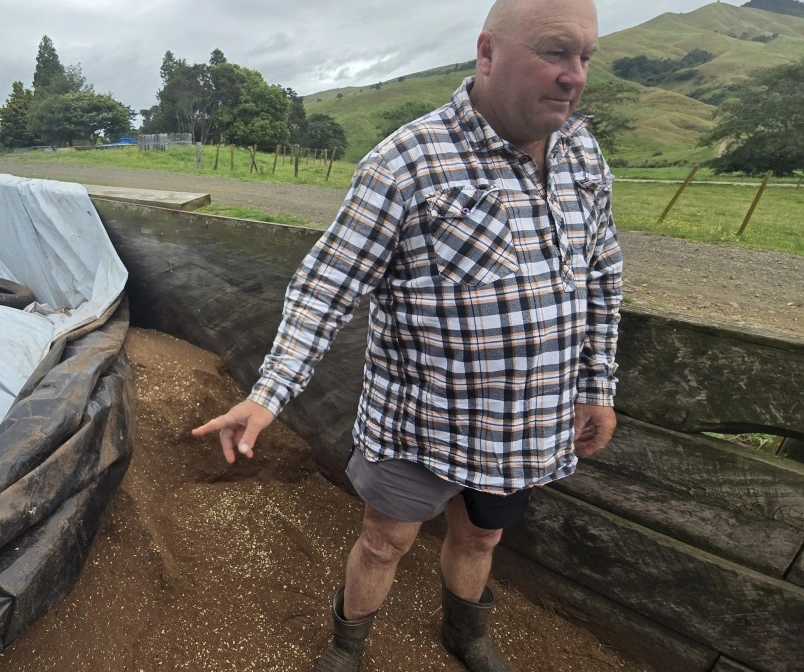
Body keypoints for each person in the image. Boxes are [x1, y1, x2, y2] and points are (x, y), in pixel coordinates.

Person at [192, 1, 622, 670]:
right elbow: (325, 287)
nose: (575, 76)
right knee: (385, 539)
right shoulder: (408, 162)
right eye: (555, 52)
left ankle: (465, 632)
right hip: (419, 422)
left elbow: (602, 274)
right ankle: (347, 645)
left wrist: (596, 384)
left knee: (482, 539)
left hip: (524, 423)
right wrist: (267, 396)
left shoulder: (583, 155)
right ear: (487, 54)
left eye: (585, 58)